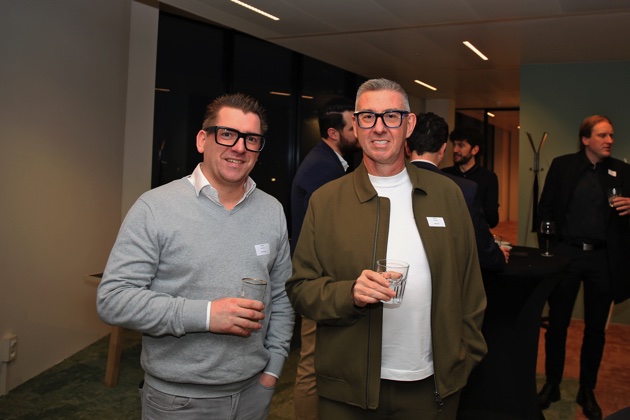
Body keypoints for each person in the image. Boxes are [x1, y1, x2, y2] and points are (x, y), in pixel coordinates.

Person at [286, 78, 487, 419]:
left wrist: (465, 356)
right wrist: (349, 293)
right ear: (356, 126)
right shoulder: (326, 201)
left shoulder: (447, 195)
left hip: (431, 387)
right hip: (347, 391)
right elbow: (300, 289)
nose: (379, 128)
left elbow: (471, 286)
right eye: (368, 117)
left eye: (391, 116)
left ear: (409, 124)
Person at [97, 93, 294, 420]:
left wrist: (273, 370)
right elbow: (114, 299)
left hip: (253, 393)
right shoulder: (154, 207)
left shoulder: (272, 210)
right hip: (178, 401)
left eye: (251, 139)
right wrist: (206, 315)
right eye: (227, 134)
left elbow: (282, 296)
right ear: (203, 140)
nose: (240, 147)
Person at [537, 115, 630, 420]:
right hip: (567, 255)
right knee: (557, 325)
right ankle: (552, 384)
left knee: (595, 330)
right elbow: (545, 209)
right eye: (603, 135)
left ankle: (586, 389)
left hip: (602, 259)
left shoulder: (622, 171)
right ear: (586, 139)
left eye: (611, 135)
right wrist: (548, 252)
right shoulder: (562, 166)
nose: (610, 141)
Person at [290, 97, 360, 420]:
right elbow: (322, 233)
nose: (359, 133)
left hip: (324, 279)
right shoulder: (323, 168)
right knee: (311, 363)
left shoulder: (330, 162)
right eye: (352, 127)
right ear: (334, 133)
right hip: (318, 280)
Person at [406, 112, 508, 272]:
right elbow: (480, 244)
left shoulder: (389, 181)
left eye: (461, 145)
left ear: (407, 147)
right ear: (443, 149)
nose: (456, 150)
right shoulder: (462, 187)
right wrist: (498, 257)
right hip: (450, 270)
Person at [442, 127, 500, 228]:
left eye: (461, 145)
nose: (455, 150)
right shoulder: (445, 174)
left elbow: (493, 219)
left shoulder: (488, 177)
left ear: (475, 150)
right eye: (454, 145)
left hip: (476, 233)